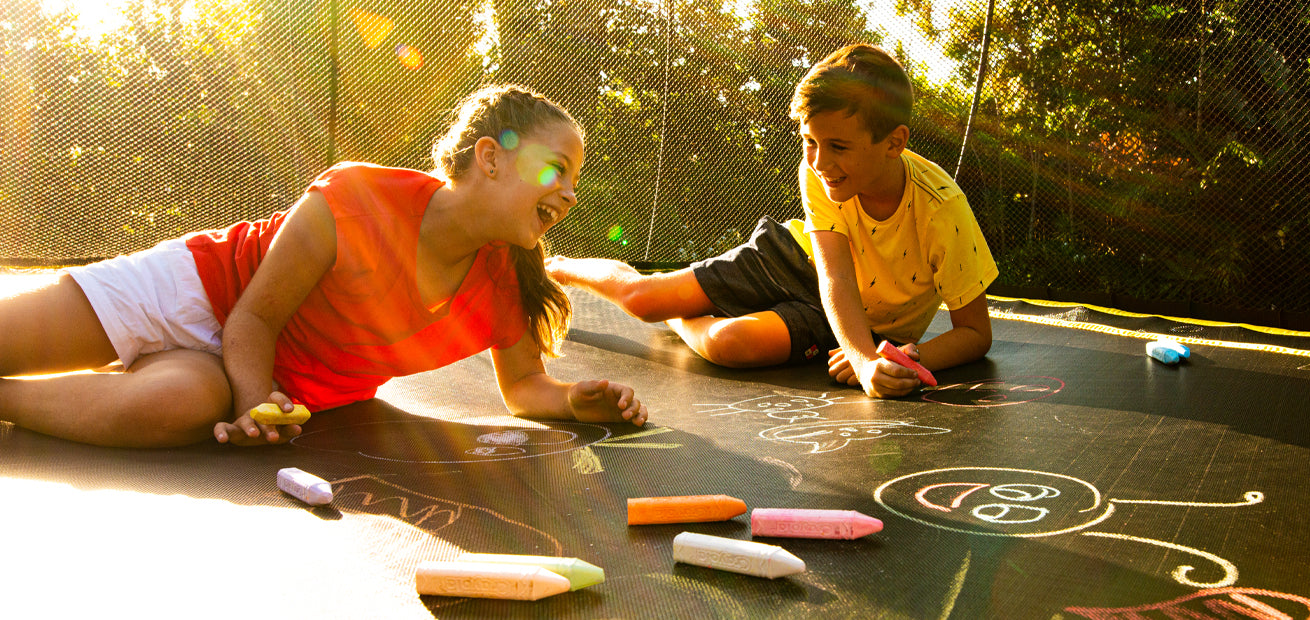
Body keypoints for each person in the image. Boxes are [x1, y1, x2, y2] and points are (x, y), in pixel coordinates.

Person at [0, 84, 648, 449]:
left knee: (173, 407)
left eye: (575, 180)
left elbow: (525, 389)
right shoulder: (360, 201)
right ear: (491, 158)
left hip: (226, 375)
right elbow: (253, 315)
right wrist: (258, 405)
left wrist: (575, 401)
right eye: (556, 170)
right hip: (199, 291)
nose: (568, 194)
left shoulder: (506, 280)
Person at [548, 43, 998, 398]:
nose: (820, 161)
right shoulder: (822, 172)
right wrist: (862, 362)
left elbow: (976, 333)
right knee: (643, 299)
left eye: (838, 146)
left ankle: (681, 317)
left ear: (893, 142)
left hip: (857, 325)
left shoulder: (942, 210)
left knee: (728, 345)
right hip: (792, 258)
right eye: (809, 141)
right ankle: (555, 266)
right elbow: (834, 276)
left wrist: (901, 359)